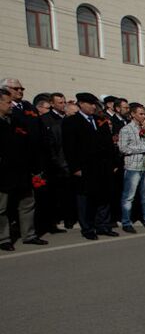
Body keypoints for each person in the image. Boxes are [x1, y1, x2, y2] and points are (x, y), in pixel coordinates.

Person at [61, 93, 120, 240]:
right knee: (85, 199)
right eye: (90, 104)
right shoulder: (72, 121)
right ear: (81, 104)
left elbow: (108, 145)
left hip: (103, 167)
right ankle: (87, 228)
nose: (94, 107)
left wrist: (113, 163)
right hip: (85, 167)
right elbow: (69, 147)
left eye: (95, 104)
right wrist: (75, 168)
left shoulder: (101, 121)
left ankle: (103, 225)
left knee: (104, 197)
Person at [0, 79, 48, 248]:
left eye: (22, 88)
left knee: (27, 203)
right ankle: (4, 239)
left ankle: (29, 234)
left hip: (23, 169)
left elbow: (30, 142)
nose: (10, 106)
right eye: (7, 103)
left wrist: (35, 167)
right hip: (3, 172)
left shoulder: (18, 119)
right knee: (2, 208)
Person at [118, 105, 145, 233]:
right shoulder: (126, 129)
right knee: (128, 197)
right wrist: (144, 148)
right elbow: (123, 148)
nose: (144, 116)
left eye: (144, 114)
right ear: (133, 114)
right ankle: (126, 222)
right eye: (141, 114)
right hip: (133, 167)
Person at [38, 92, 70, 234]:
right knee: (53, 195)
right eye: (59, 103)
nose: (63, 105)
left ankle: (68, 218)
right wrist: (55, 161)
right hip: (54, 163)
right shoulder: (45, 119)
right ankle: (52, 222)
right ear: (52, 104)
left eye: (64, 102)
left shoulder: (68, 119)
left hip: (68, 161)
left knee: (67, 194)